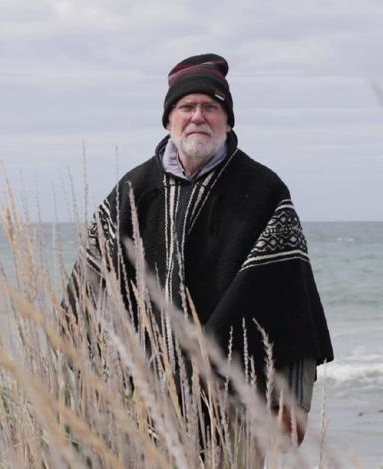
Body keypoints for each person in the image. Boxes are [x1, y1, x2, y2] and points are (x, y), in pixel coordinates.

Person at [65, 53, 333, 448]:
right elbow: (86, 291)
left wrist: (295, 403)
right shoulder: (134, 190)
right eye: (186, 107)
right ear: (169, 119)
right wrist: (82, 385)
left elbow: (293, 304)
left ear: (228, 120)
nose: (198, 116)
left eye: (211, 107)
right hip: (143, 408)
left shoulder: (264, 191)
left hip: (239, 407)